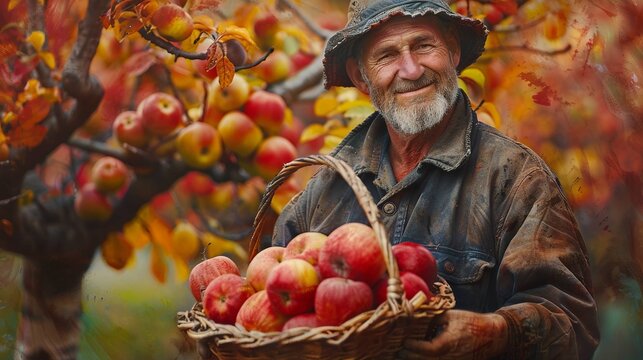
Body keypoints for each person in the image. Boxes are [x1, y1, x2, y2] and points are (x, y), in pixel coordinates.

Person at [272, 0, 599, 358]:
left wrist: (495, 333)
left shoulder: (515, 179)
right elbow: (264, 310)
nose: (410, 69)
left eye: (423, 45)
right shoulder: (325, 190)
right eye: (386, 55)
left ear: (453, 50)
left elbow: (573, 328)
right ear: (359, 76)